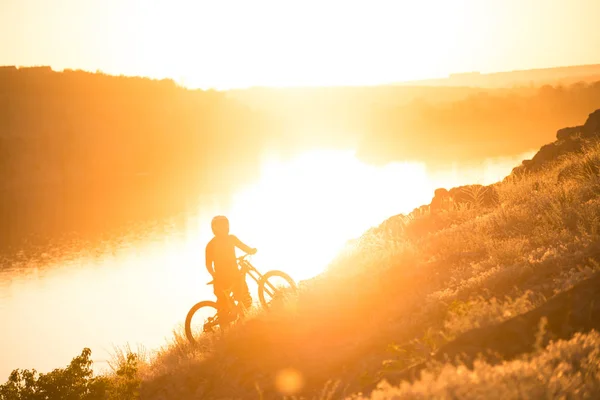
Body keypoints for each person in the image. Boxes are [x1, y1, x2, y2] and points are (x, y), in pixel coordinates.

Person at [205, 215, 256, 322]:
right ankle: (224, 330)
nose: (223, 227)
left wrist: (251, 250)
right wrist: (213, 274)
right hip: (221, 279)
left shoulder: (232, 238)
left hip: (235, 276)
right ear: (214, 228)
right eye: (220, 226)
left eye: (225, 224)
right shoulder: (211, 245)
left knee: (246, 299)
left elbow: (243, 246)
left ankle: (241, 321)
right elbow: (208, 264)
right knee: (223, 308)